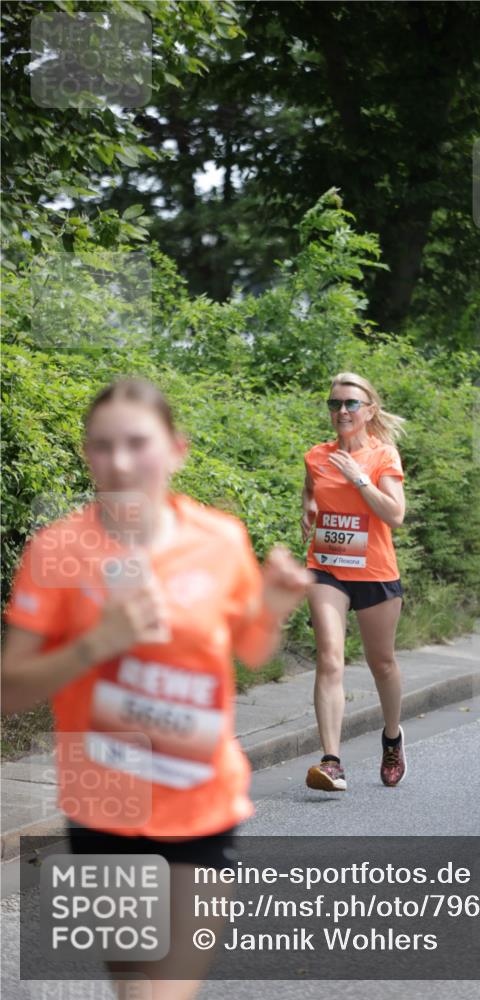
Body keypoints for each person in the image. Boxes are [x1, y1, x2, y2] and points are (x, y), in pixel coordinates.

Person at [1, 377, 311, 1000]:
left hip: (201, 799)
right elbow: (9, 688)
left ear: (176, 449)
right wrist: (97, 643)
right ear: (87, 453)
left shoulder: (219, 539)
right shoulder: (58, 550)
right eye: (101, 445)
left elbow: (249, 650)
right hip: (101, 800)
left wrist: (273, 609)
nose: (118, 461)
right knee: (131, 986)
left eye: (137, 443)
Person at [301, 371, 407, 792]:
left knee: (382, 662)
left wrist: (359, 478)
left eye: (350, 404)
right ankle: (331, 761)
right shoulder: (316, 455)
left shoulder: (384, 456)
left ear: (370, 411)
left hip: (375, 572)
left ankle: (393, 737)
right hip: (326, 568)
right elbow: (311, 487)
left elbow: (395, 515)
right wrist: (309, 507)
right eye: (334, 404)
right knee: (329, 657)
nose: (341, 411)